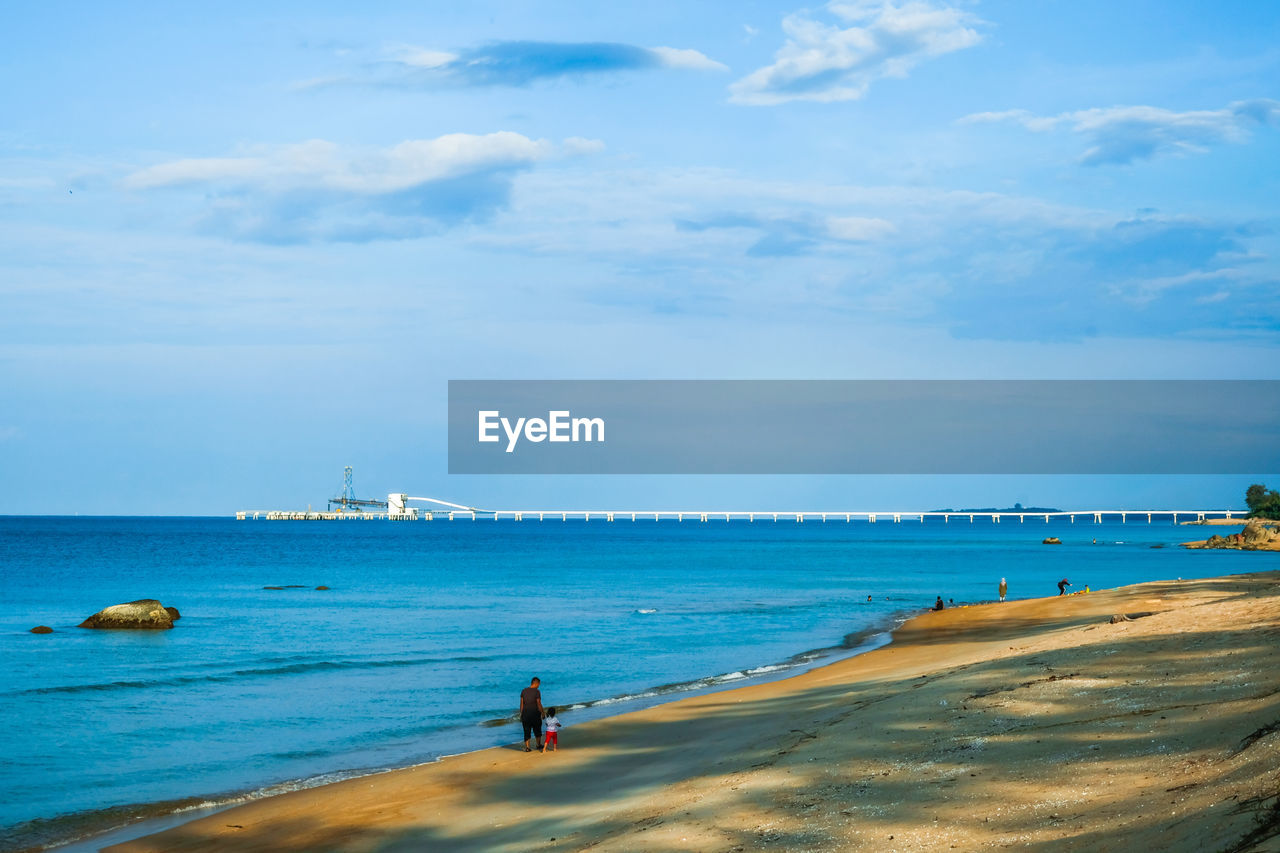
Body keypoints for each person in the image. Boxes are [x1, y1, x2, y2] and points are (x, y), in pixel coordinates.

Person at [519, 677, 544, 752]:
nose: (539, 686)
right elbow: (539, 703)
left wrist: (521, 714)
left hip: (525, 714)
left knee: (526, 730)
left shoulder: (523, 691)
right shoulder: (537, 691)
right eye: (539, 684)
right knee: (537, 730)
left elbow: (521, 704)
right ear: (536, 683)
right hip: (535, 714)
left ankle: (527, 747)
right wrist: (542, 712)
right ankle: (538, 745)